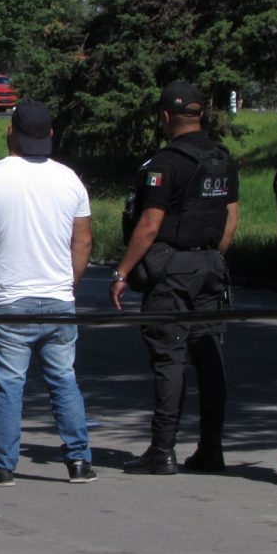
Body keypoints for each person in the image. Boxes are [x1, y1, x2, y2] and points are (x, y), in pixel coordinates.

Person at [0, 99, 96, 486]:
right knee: (63, 379)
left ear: (11, 132)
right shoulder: (71, 180)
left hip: (7, 301)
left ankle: (2, 465)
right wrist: (68, 284)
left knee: (8, 384)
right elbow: (83, 242)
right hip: (59, 300)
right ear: (51, 135)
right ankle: (80, 462)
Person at [112, 81, 239, 475]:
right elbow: (231, 218)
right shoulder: (222, 158)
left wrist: (123, 271)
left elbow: (149, 225)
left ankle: (162, 449)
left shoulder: (165, 164)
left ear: (166, 117)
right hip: (211, 266)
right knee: (208, 355)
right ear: (201, 114)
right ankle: (211, 448)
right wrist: (212, 257)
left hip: (172, 270)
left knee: (169, 356)